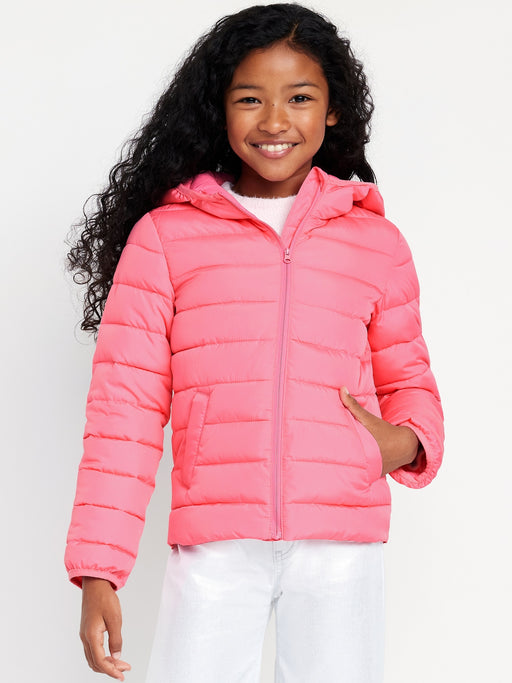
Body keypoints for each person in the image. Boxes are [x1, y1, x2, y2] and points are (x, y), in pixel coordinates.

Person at [63, 3, 444, 682]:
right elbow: (123, 411)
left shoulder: (374, 241)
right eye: (249, 98)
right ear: (220, 108)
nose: (273, 121)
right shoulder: (166, 238)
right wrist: (100, 567)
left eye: (299, 97)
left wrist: (404, 441)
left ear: (332, 109)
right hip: (215, 539)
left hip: (340, 538)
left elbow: (409, 376)